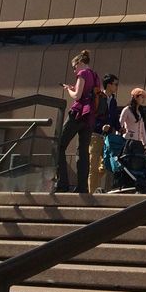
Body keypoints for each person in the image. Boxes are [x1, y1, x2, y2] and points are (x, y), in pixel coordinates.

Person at [54, 50, 100, 194]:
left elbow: (77, 96)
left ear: (80, 62)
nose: (74, 71)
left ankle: (62, 183)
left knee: (58, 145)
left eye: (74, 67)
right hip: (89, 117)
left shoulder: (83, 73)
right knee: (83, 152)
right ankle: (82, 187)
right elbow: (89, 93)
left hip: (78, 113)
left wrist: (69, 89)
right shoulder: (95, 75)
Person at [89, 73, 120, 193]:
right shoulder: (98, 97)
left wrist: (119, 128)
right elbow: (93, 115)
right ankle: (91, 193)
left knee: (105, 165)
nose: (116, 87)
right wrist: (101, 126)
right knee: (93, 166)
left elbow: (114, 118)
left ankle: (93, 190)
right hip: (96, 135)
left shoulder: (113, 101)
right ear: (109, 85)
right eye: (115, 84)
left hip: (107, 137)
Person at [119, 88, 146, 192]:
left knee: (138, 166)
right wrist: (119, 137)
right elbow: (120, 124)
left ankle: (137, 186)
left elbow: (142, 130)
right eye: (142, 96)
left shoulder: (140, 112)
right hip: (129, 141)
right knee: (128, 165)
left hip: (138, 143)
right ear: (135, 97)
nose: (143, 99)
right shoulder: (127, 110)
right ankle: (126, 185)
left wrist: (145, 144)